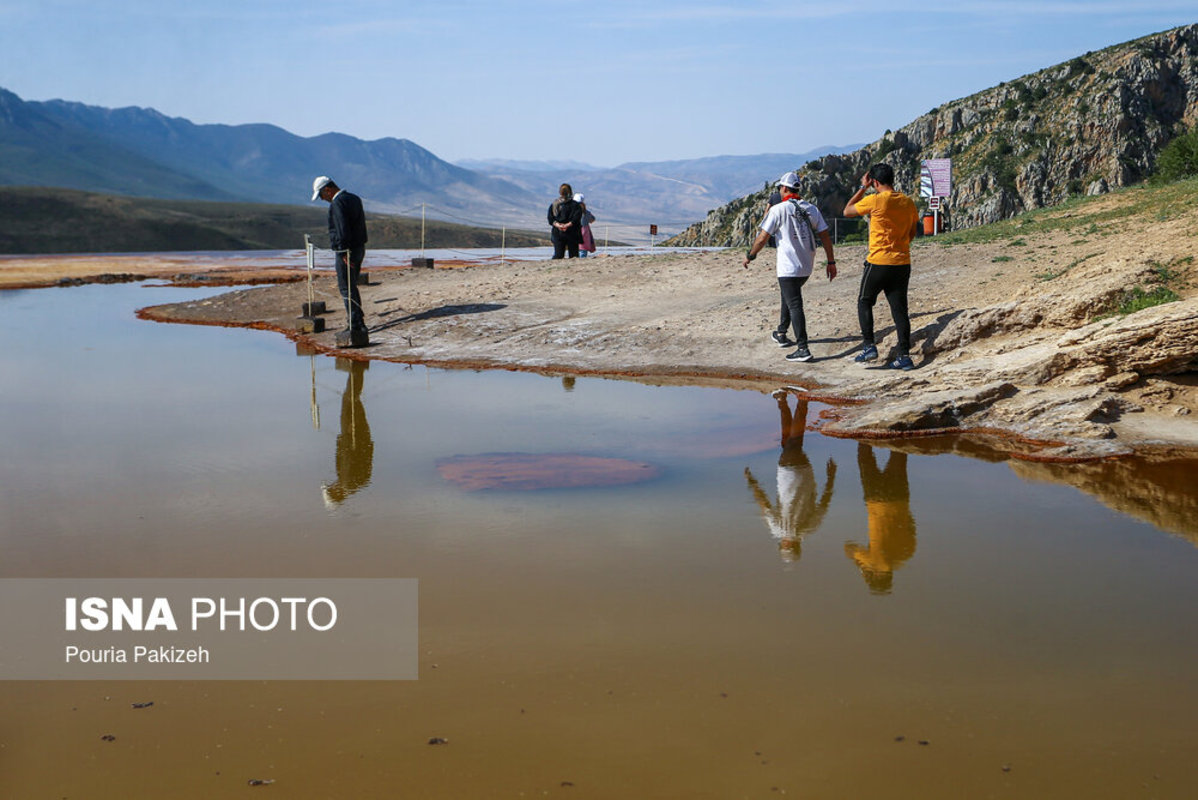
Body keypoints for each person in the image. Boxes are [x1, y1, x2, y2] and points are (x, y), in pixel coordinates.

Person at [743, 172, 837, 363]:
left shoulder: (778, 210)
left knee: (794, 304)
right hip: (806, 265)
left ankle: (803, 348)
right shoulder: (811, 208)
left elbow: (762, 238)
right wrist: (831, 261)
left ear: (784, 189)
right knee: (789, 296)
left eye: (780, 188)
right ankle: (781, 333)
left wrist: (750, 255)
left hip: (788, 266)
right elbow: (825, 236)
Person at [843, 163, 921, 371]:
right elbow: (913, 231)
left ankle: (869, 345)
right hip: (902, 262)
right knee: (900, 310)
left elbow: (847, 211)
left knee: (865, 301)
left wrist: (862, 188)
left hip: (878, 261)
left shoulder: (875, 200)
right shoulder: (907, 202)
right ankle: (904, 355)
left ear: (874, 182)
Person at [744, 390, 837, 563]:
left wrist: (831, 477)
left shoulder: (809, 529)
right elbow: (764, 504)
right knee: (793, 441)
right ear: (784, 545)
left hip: (804, 473)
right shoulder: (778, 530)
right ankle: (802, 400)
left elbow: (824, 503)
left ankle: (783, 400)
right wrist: (751, 481)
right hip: (787, 473)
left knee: (788, 442)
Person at [844, 443, 917, 594]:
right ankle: (863, 428)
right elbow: (848, 548)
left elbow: (911, 525)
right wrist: (862, 568)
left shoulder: (906, 554)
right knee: (865, 456)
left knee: (899, 452)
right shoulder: (873, 561)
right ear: (876, 575)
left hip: (900, 498)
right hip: (875, 499)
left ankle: (897, 427)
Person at [312, 175, 369, 343]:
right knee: (352, 286)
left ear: (328, 190)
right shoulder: (354, 198)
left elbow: (342, 230)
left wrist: (343, 252)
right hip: (359, 248)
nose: (323, 199)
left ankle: (355, 324)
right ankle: (358, 320)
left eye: (322, 195)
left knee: (346, 288)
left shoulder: (337, 203)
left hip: (347, 251)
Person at [547, 183, 583, 259]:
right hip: (572, 233)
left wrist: (558, 225)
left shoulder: (555, 204)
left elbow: (550, 219)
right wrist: (567, 225)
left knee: (558, 255)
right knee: (574, 256)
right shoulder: (575, 205)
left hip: (558, 232)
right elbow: (576, 218)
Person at [575, 193, 597, 257]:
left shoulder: (571, 211)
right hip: (584, 233)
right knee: (583, 251)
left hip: (574, 232)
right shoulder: (586, 212)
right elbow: (592, 219)